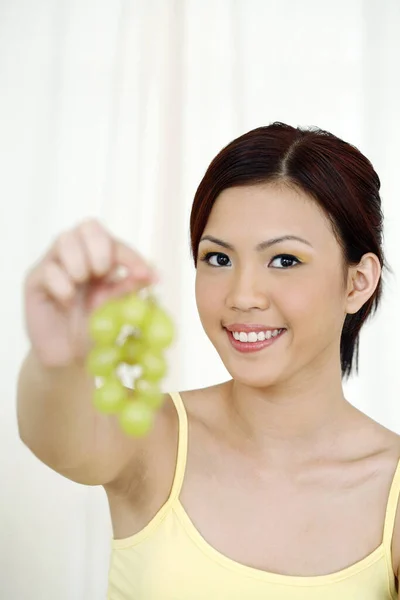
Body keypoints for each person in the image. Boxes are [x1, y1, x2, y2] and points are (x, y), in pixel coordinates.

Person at [17, 122, 398, 599]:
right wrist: (56, 358)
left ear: (357, 282)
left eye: (284, 260)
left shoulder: (392, 490)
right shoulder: (156, 439)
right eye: (218, 259)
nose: (242, 296)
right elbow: (54, 437)